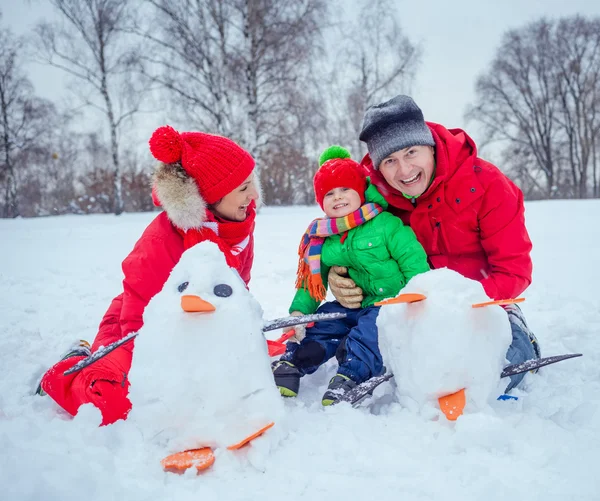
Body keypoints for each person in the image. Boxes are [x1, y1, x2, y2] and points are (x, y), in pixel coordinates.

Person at [38, 125, 260, 425]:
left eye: (252, 183)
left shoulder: (239, 226)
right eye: (243, 188)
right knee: (121, 402)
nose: (253, 194)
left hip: (197, 331)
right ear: (213, 196)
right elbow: (138, 307)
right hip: (138, 326)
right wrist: (151, 367)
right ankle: (74, 368)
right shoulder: (163, 239)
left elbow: (236, 291)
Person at [328, 95, 540, 392]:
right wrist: (339, 275)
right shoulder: (374, 200)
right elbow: (347, 245)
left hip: (483, 305)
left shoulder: (489, 186)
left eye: (411, 152)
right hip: (411, 311)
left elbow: (514, 270)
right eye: (390, 160)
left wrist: (454, 305)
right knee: (360, 348)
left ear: (430, 146)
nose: (404, 171)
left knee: (494, 366)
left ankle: (518, 337)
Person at [272, 146, 430, 405]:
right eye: (330, 193)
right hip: (350, 305)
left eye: (345, 189)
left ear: (361, 191)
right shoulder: (323, 236)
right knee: (323, 322)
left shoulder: (385, 224)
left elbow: (413, 261)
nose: (338, 197)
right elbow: (311, 284)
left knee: (370, 331)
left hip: (387, 304)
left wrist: (419, 299)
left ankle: (350, 375)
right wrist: (299, 313)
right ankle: (293, 363)